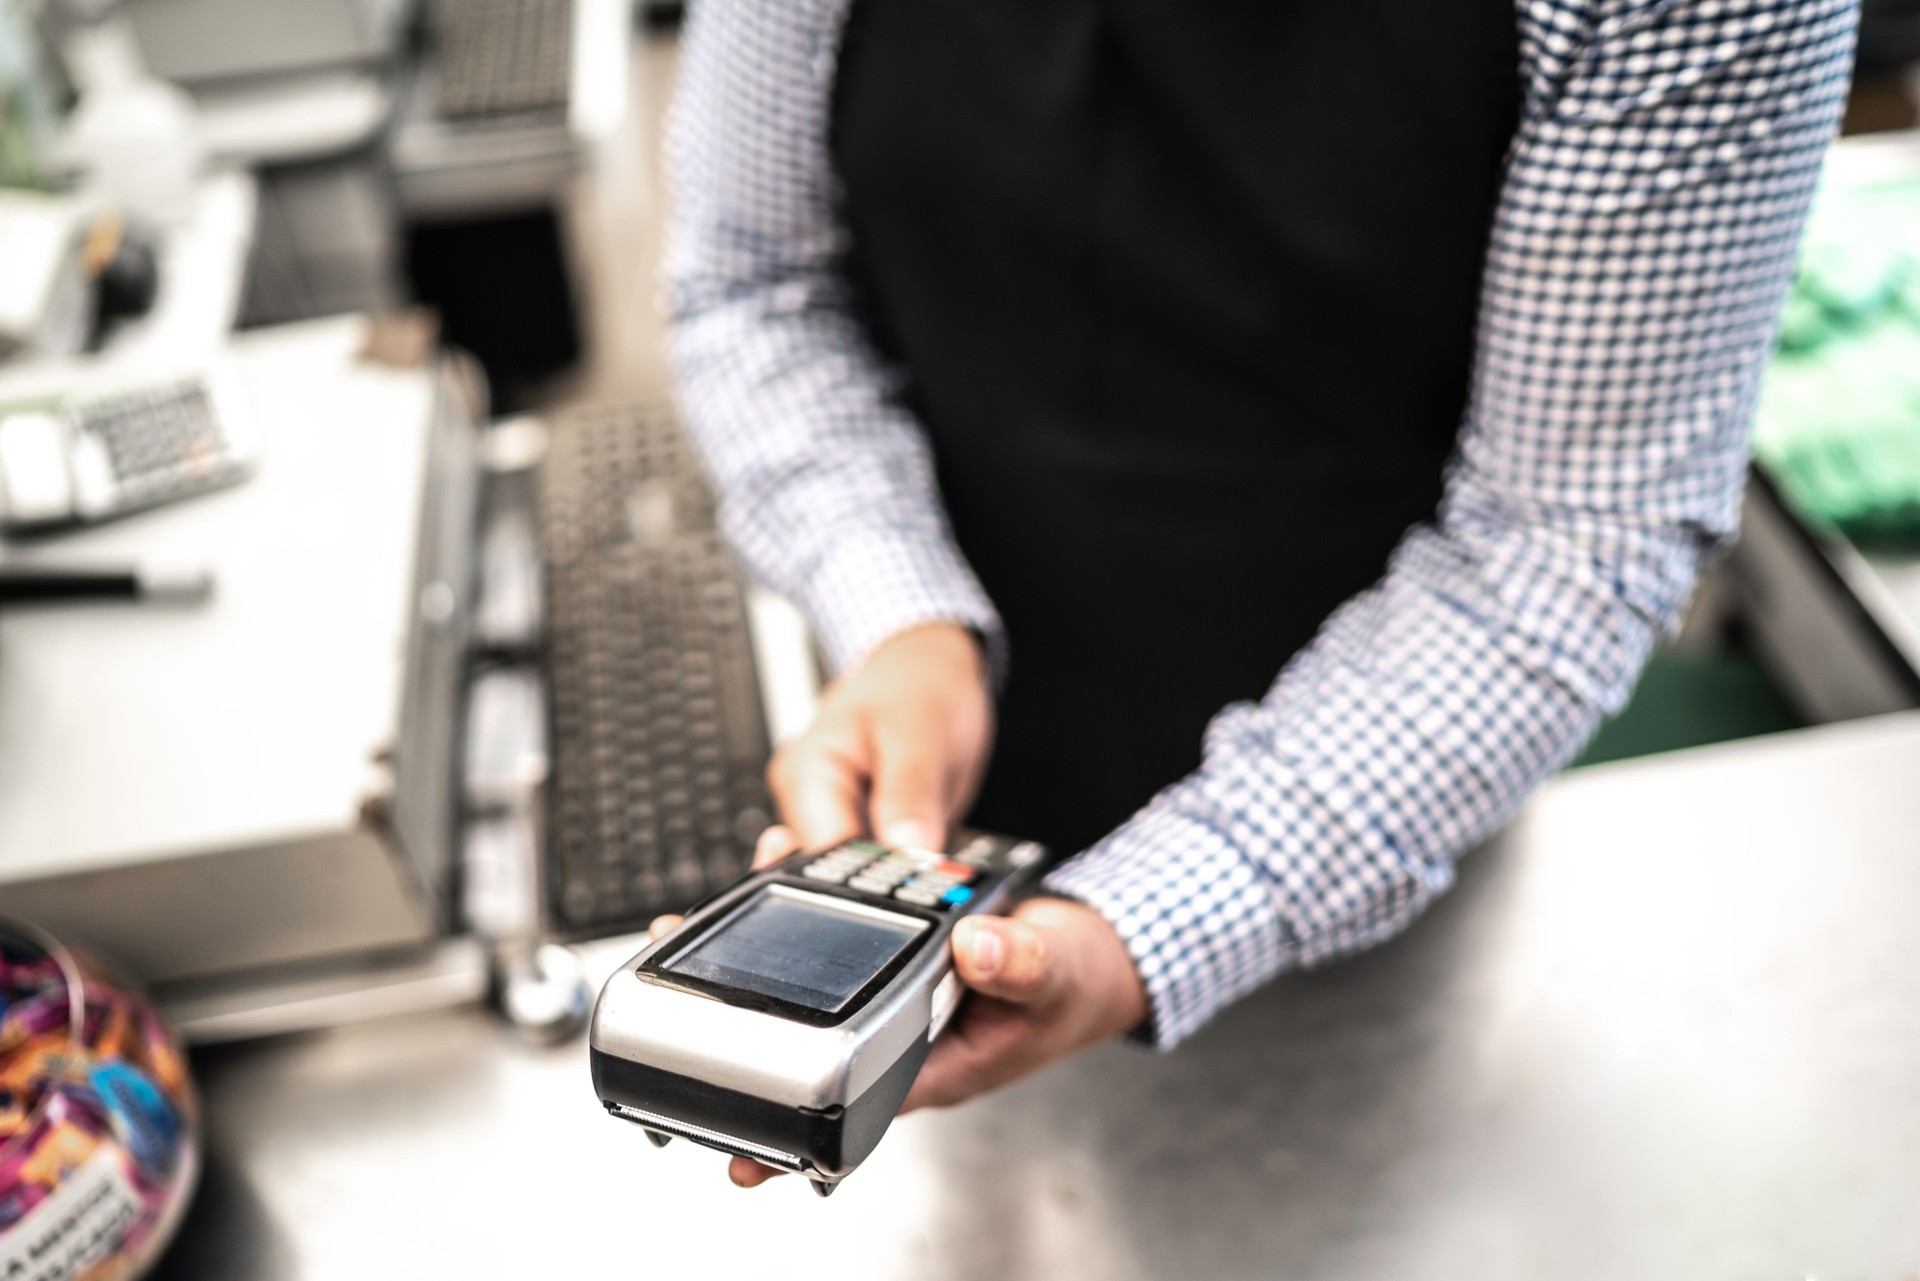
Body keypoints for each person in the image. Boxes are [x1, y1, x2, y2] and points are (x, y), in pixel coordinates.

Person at [650, 0, 1860, 1187]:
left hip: (1385, 798)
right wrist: (901, 618)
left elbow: (1569, 527)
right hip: (943, 783)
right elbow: (755, 283)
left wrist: (1146, 929)